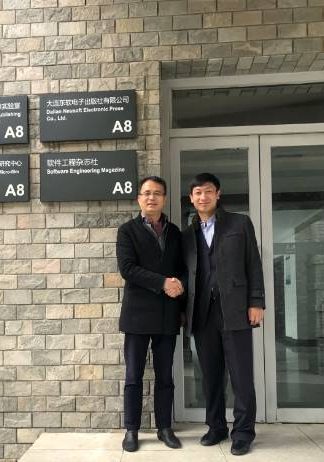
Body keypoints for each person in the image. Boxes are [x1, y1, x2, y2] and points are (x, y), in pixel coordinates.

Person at [182, 173, 265, 456]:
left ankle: (243, 432)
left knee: (241, 375)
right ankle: (216, 426)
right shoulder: (188, 234)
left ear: (218, 194)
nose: (202, 197)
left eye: (208, 191)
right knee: (210, 376)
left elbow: (253, 264)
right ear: (191, 198)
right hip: (202, 314)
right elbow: (186, 274)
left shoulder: (240, 223)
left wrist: (256, 302)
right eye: (197, 192)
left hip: (236, 310)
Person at [117, 176, 185, 452]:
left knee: (165, 376)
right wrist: (163, 283)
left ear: (164, 198)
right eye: (146, 193)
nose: (151, 198)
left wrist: (179, 286)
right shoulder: (127, 231)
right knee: (133, 376)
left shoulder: (175, 232)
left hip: (168, 314)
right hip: (137, 315)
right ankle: (131, 430)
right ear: (139, 199)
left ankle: (164, 428)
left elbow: (183, 268)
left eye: (157, 193)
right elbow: (127, 269)